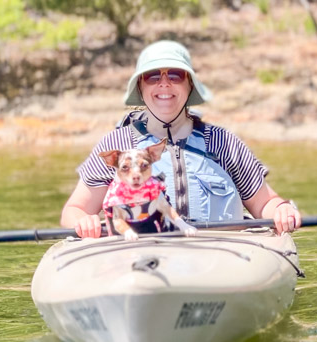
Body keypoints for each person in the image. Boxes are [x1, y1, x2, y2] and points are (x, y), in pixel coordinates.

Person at [61, 40, 301, 238]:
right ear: (141, 88)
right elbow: (74, 210)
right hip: (140, 257)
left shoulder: (223, 142)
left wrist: (281, 209)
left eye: (175, 75)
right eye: (153, 76)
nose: (164, 83)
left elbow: (265, 203)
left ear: (189, 86)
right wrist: (84, 221)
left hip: (223, 258)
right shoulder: (116, 146)